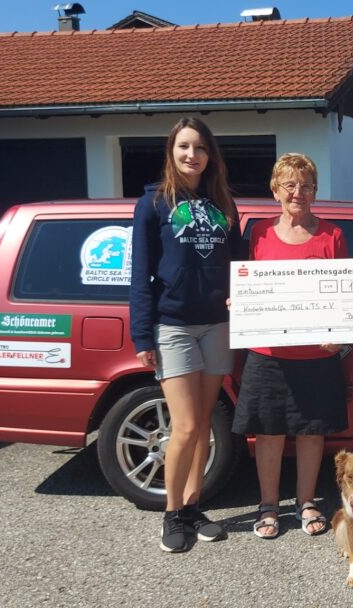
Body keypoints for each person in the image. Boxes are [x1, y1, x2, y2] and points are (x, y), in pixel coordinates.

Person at [129, 117, 244, 553]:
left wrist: (243, 299)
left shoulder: (223, 202)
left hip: (217, 324)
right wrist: (142, 337)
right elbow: (140, 275)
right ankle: (172, 514)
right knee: (187, 425)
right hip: (173, 325)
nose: (192, 155)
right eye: (183, 147)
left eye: (199, 147)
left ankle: (194, 506)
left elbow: (238, 265)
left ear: (210, 154)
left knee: (204, 426)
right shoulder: (154, 203)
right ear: (171, 152)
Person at [233, 153, 349, 539]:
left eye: (307, 185)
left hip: (317, 354)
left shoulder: (332, 234)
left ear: (316, 191)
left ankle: (306, 502)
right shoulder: (259, 233)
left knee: (311, 431)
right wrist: (241, 301)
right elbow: (248, 281)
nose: (299, 192)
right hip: (267, 352)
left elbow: (343, 294)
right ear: (275, 190)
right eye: (291, 185)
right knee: (268, 431)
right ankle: (268, 506)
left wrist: (341, 331)